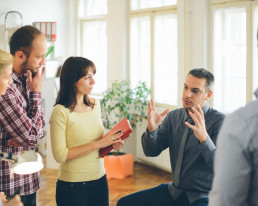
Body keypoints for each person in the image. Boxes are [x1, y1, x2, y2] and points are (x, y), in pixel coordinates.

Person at [117, 68, 225, 206]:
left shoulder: (219, 122)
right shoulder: (174, 117)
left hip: (203, 196)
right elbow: (151, 151)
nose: (187, 95)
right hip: (174, 191)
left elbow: (221, 167)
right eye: (186, 88)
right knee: (125, 203)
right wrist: (152, 129)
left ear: (208, 95)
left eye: (195, 91)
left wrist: (204, 139)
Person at [49, 56, 124, 206]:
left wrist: (110, 144)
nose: (93, 82)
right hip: (72, 185)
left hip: (99, 179)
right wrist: (99, 144)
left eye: (93, 76)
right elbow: (60, 155)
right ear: (73, 80)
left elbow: (95, 140)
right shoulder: (60, 112)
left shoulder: (95, 104)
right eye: (87, 77)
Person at [0, 26, 47, 206]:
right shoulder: (5, 88)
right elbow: (32, 136)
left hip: (29, 181)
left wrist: (29, 137)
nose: (43, 61)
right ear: (20, 56)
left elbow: (39, 133)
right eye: (39, 56)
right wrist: (36, 92)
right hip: (11, 186)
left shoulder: (28, 79)